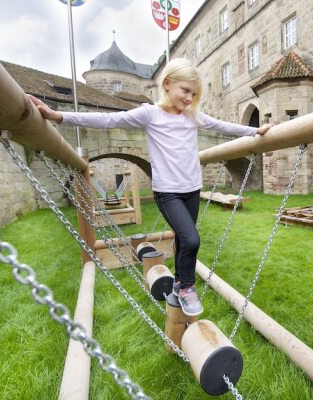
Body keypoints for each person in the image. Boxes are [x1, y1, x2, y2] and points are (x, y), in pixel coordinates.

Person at [29, 58, 272, 317]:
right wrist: (59, 116)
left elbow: (222, 126)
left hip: (191, 188)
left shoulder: (192, 116)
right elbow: (108, 120)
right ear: (167, 84)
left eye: (193, 93)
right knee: (192, 239)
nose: (189, 98)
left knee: (182, 239)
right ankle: (188, 287)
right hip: (168, 192)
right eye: (185, 91)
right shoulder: (150, 113)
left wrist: (254, 131)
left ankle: (179, 284)